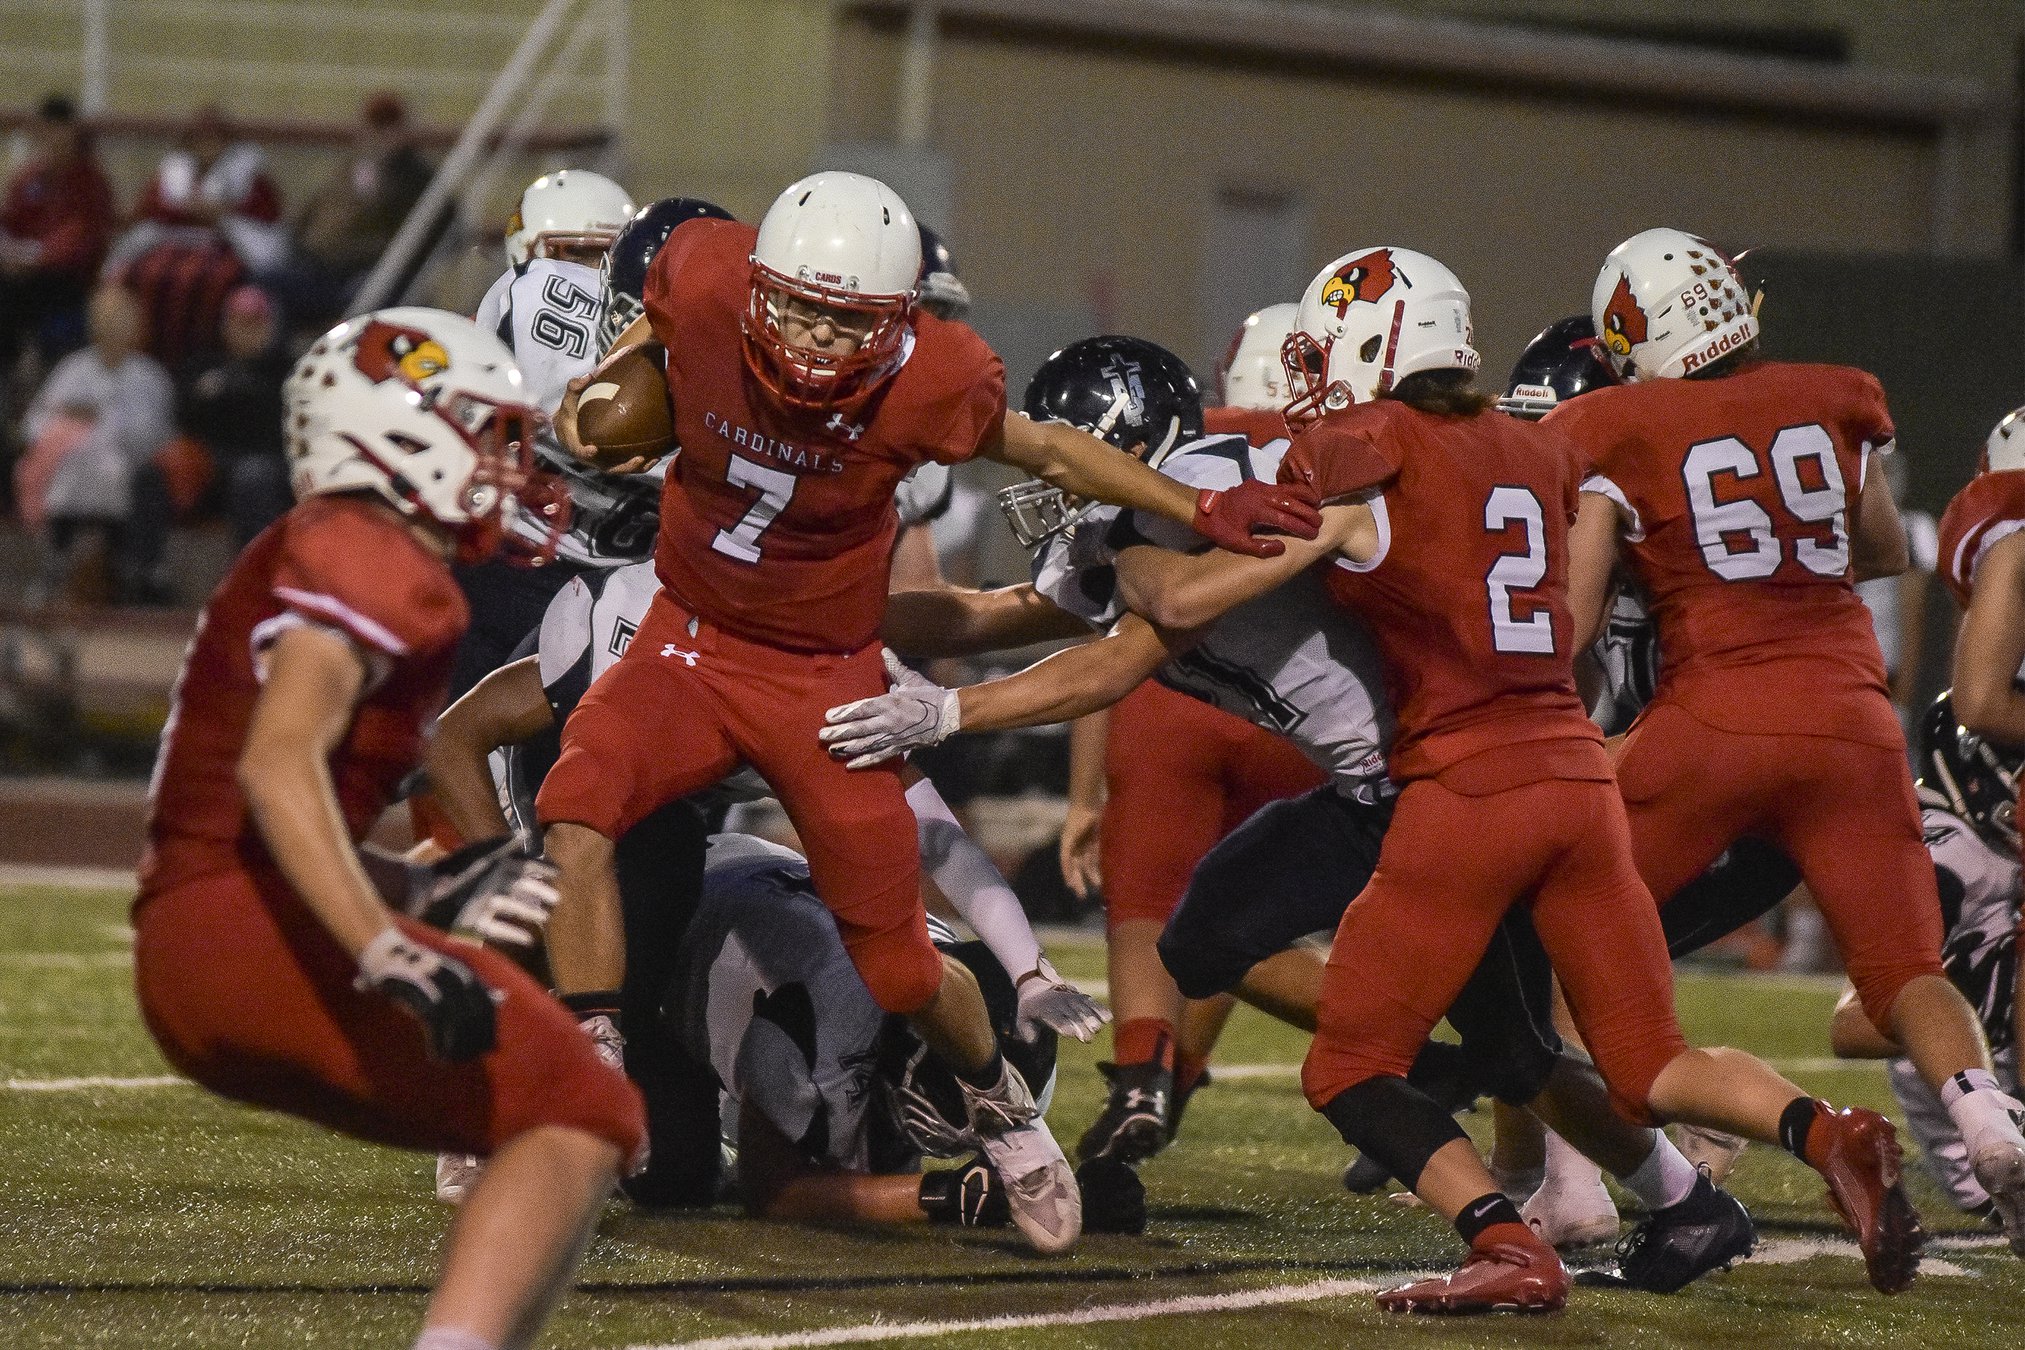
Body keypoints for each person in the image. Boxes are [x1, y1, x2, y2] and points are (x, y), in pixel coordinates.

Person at [915, 244, 1924, 1310]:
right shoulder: (1530, 449)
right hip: (1568, 772)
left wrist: (1115, 561)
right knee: (1634, 1056)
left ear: (1381, 343)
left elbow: (1170, 611)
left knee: (1361, 1062)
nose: (1306, 377)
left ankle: (1511, 1232)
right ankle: (1813, 1137)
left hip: (1450, 782)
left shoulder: (1363, 453)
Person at [538, 169, 1316, 1256]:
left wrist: (1198, 505)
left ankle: (998, 1102)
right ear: (758, 284)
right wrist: (606, 393)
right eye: (796, 306)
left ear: (896, 322)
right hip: (688, 641)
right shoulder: (705, 275)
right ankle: (589, 1065)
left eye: (841, 319)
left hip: (821, 675)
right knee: (575, 805)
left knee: (899, 962)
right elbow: (643, 342)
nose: (810, 338)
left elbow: (1045, 447)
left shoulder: (930, 377)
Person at [131, 306, 644, 1350]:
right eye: (486, 432)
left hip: (212, 936)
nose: (511, 465)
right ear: (403, 431)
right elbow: (277, 767)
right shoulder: (368, 554)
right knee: (585, 1105)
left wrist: (415, 895)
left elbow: (257, 808)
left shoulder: (336, 545)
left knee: (545, 1115)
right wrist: (386, 948)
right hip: (248, 933)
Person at [1555, 228, 2025, 1257]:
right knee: (1906, 965)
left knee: (1565, 921)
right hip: (1851, 720)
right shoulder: (1833, 393)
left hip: (1713, 717)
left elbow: (1573, 625)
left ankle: (1576, 1179)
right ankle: (1987, 1112)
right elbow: (1887, 549)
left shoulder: (1608, 423)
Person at [416, 551, 1107, 1206]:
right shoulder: (611, 649)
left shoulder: (809, 687)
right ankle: (481, 1084)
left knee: (677, 1171)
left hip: (690, 828)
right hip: (577, 789)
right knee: (620, 871)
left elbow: (934, 836)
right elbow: (453, 738)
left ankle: (612, 1055)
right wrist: (499, 863)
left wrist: (1028, 969)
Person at [1013, 337, 1324, 1165]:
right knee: (1233, 910)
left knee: (1150, 897)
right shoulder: (1339, 453)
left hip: (1175, 693)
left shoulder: (1180, 465)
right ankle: (1179, 1078)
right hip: (1297, 710)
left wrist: (1085, 797)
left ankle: (1143, 1078)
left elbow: (1111, 648)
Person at [450, 169, 643, 698]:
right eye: (577, 257)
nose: (595, 279)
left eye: (607, 260)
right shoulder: (511, 309)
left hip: (630, 577)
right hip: (516, 557)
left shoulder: (669, 346)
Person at [1831, 695, 2022, 1217]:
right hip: (1990, 1135)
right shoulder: (1946, 863)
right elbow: (1849, 1027)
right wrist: (1974, 1010)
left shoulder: (1996, 851)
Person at [17, 285, 176, 604]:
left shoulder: (149, 375)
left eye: (121, 319)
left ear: (136, 326)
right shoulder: (72, 369)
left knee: (132, 478)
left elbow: (161, 435)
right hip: (72, 462)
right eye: (106, 319)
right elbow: (34, 423)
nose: (113, 327)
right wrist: (67, 428)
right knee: (63, 473)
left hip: (129, 462)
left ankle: (135, 574)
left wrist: (109, 424)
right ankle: (56, 566)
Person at [285, 92, 436, 327]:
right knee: (267, 284)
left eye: (387, 128)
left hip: (367, 270)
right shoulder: (351, 167)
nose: (379, 136)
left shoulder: (412, 178)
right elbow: (315, 210)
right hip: (319, 265)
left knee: (365, 297)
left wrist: (392, 170)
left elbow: (410, 233)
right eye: (375, 127)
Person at [0, 94, 116, 382]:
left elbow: (81, 240)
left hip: (66, 280)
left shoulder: (89, 182)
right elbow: (10, 221)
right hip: (21, 274)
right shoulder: (30, 178)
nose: (50, 138)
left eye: (57, 129)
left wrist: (33, 258)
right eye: (45, 129)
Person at [179, 284, 293, 544]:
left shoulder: (287, 370)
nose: (246, 332)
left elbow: (275, 427)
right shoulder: (205, 364)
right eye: (239, 323)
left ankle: (253, 572)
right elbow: (186, 418)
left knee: (253, 475)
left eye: (255, 324)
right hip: (213, 459)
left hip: (268, 463)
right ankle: (145, 572)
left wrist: (231, 391)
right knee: (157, 469)